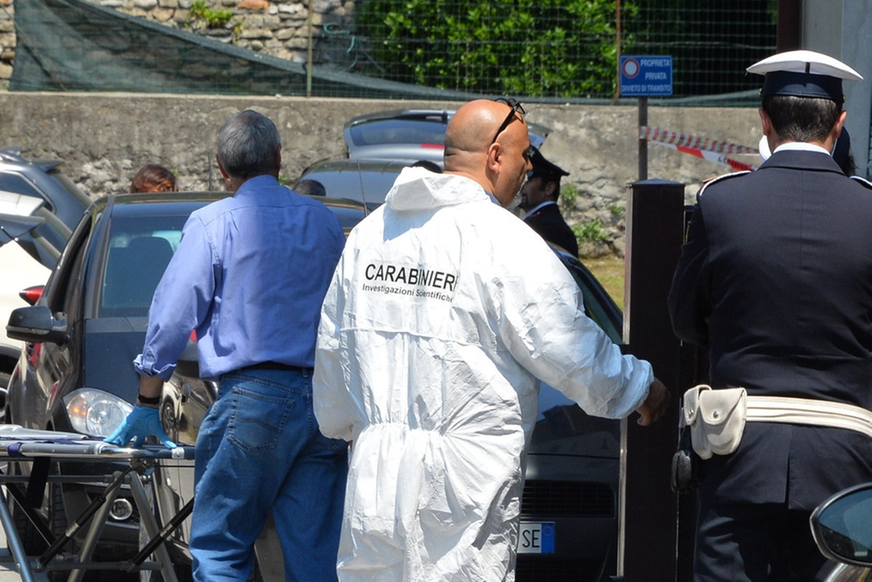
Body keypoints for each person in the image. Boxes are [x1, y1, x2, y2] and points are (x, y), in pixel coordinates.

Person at [314, 98, 668, 582]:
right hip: (462, 485)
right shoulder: (505, 242)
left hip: (378, 475)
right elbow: (566, 345)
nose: (528, 170)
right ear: (496, 155)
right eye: (524, 157)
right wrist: (638, 388)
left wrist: (345, 423)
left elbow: (335, 345)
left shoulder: (372, 236)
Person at [106, 110, 348, 582]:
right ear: (280, 158)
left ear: (221, 167)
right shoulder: (323, 222)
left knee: (220, 551)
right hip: (323, 402)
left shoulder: (211, 222)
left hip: (253, 400)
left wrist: (147, 398)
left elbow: (174, 314)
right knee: (318, 558)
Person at [668, 49, 872, 582]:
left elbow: (686, 320)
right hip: (846, 464)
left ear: (764, 120)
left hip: (739, 455)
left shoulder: (722, 202)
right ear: (840, 123)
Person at [518, 147, 578, 256]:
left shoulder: (549, 228)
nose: (522, 185)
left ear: (549, 188)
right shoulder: (539, 222)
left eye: (528, 179)